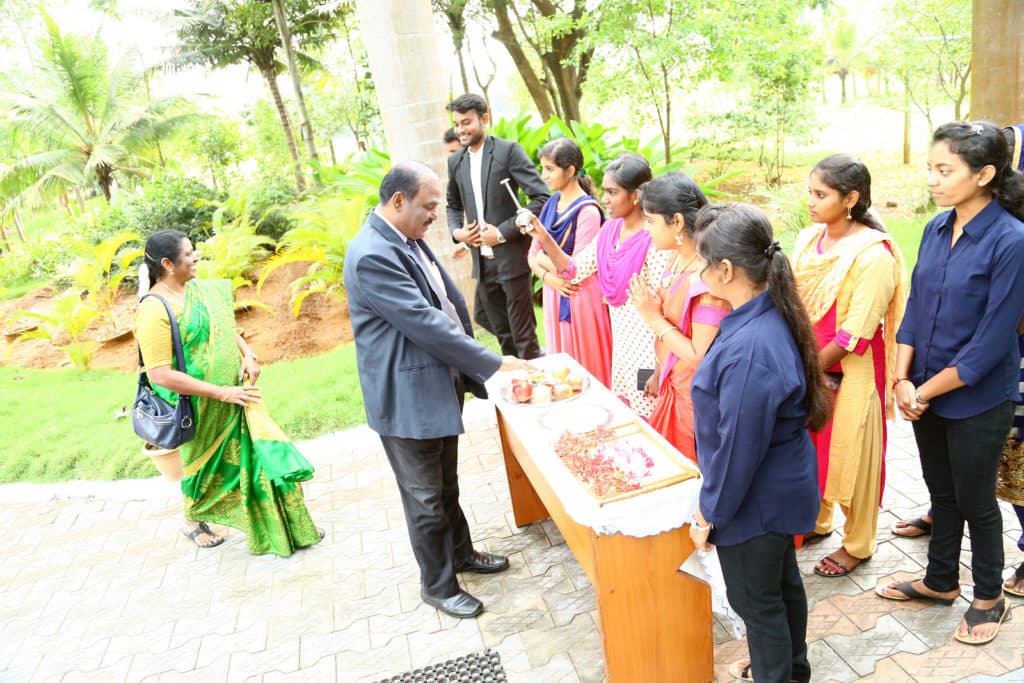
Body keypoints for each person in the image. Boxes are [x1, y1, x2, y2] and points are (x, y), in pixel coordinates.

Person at [344, 161, 533, 619]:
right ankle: (438, 585)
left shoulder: (405, 239)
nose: (437, 216)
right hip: (407, 399)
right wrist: (492, 362)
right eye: (429, 207)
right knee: (425, 499)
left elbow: (446, 303)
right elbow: (423, 322)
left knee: (445, 487)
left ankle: (462, 555)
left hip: (435, 385)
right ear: (397, 201)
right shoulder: (372, 253)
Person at [876, 121, 1024, 647]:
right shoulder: (938, 228)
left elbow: (987, 347)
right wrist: (900, 380)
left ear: (984, 174)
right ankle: (940, 582)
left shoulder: (1011, 240)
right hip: (924, 391)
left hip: (978, 397)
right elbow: (914, 309)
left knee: (977, 499)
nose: (933, 180)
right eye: (931, 169)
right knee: (941, 492)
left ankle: (990, 597)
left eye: (945, 170)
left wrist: (921, 390)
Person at [688, 203, 827, 683]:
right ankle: (790, 668)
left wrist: (709, 512)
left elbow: (738, 448)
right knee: (781, 586)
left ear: (725, 270)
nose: (699, 270)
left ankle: (778, 673)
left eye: (703, 262)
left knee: (757, 601)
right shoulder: (763, 314)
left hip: (757, 497)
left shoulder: (752, 346)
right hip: (776, 485)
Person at [134, 230, 322, 556]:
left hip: (235, 396)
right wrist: (222, 393)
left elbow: (224, 327)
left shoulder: (197, 290)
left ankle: (289, 522)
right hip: (200, 409)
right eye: (189, 254)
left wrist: (247, 354)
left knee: (258, 459)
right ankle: (194, 520)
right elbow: (161, 374)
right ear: (167, 263)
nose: (195, 258)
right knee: (204, 471)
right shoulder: (153, 310)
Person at [791, 154, 907, 578]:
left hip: (851, 368)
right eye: (810, 192)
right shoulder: (808, 240)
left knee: (851, 453)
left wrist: (806, 372)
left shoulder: (873, 255)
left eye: (820, 194)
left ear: (851, 199)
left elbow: (852, 335)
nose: (811, 201)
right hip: (808, 360)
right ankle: (819, 521)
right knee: (812, 445)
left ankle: (857, 543)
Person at [531, 153, 668, 416]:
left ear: (636, 195)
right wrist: (543, 237)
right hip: (622, 351)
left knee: (652, 422)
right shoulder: (610, 231)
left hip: (650, 353)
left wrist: (661, 367)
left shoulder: (655, 240)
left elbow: (668, 307)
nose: (603, 199)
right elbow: (574, 270)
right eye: (604, 191)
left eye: (612, 192)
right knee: (630, 419)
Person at [626, 172, 728, 460]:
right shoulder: (675, 258)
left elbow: (699, 355)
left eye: (651, 220)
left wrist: (653, 317)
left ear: (678, 222)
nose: (646, 229)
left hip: (698, 398)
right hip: (671, 383)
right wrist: (658, 372)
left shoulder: (707, 278)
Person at [446, 93, 548, 359]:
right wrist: (458, 233)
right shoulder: (456, 162)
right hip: (482, 262)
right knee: (505, 339)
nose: (460, 130)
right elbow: (452, 205)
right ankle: (515, 393)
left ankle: (537, 390)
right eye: (457, 124)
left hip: (512, 258)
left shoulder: (508, 151)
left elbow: (541, 198)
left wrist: (502, 232)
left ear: (484, 119)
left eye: (466, 122)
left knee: (524, 338)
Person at [523, 137, 612, 386]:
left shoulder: (588, 211)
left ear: (570, 171)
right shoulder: (551, 203)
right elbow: (531, 255)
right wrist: (551, 278)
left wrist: (545, 256)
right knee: (562, 364)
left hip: (580, 296)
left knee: (586, 366)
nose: (544, 176)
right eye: (543, 168)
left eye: (550, 169)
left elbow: (576, 270)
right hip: (555, 292)